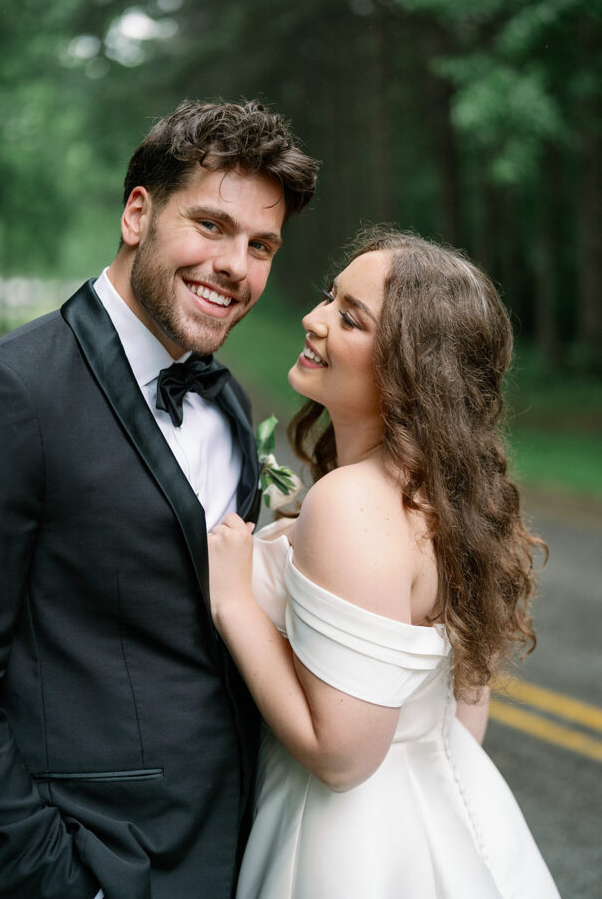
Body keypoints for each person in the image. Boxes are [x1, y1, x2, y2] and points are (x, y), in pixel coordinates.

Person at [0, 99, 318, 899]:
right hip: (93, 867)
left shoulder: (230, 401)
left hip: (237, 856)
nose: (235, 265)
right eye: (210, 225)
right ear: (138, 213)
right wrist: (56, 881)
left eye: (260, 244)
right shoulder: (1, 396)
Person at [208, 227, 561, 898]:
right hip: (449, 807)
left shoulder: (353, 504)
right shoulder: (450, 498)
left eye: (348, 318)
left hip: (346, 845)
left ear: (410, 368)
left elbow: (341, 758)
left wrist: (232, 600)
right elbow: (466, 710)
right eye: (326, 299)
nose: (311, 321)